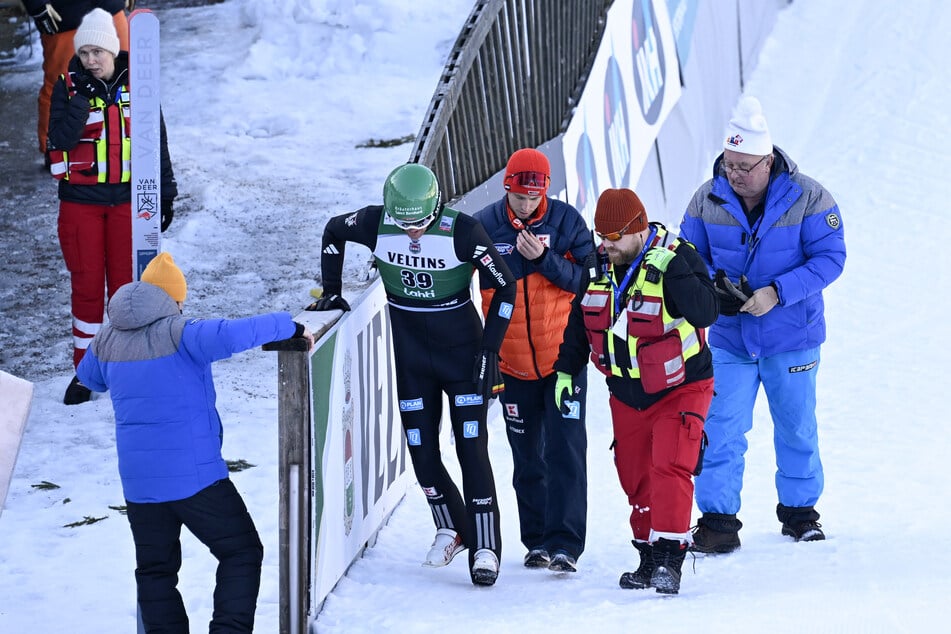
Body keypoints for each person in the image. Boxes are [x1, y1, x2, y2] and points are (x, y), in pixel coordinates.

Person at [76, 252, 314, 632]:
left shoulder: (107, 339)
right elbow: (237, 333)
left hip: (139, 485)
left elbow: (89, 377)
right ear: (172, 299)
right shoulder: (181, 333)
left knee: (156, 571)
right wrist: (290, 325)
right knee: (241, 551)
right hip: (195, 479)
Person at [306, 163, 516, 586]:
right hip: (413, 360)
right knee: (421, 453)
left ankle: (486, 546)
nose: (414, 233)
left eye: (421, 224)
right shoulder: (375, 223)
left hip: (464, 359)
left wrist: (491, 349)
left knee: (471, 450)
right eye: (405, 226)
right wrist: (332, 291)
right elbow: (332, 232)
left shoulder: (463, 231)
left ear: (436, 208)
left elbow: (506, 287)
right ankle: (454, 527)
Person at [679, 96, 846, 552]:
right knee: (721, 429)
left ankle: (799, 515)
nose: (734, 173)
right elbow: (686, 263)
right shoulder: (706, 199)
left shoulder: (810, 197)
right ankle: (716, 522)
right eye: (730, 163)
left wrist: (778, 292)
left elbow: (831, 258)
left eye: (745, 166)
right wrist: (714, 297)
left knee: (796, 427)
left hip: (792, 338)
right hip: (731, 341)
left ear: (768, 160)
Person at [553, 188, 718, 595]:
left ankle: (670, 557)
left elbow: (707, 311)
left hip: (682, 385)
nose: (604, 246)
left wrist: (677, 273)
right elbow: (580, 323)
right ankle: (646, 555)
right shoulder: (598, 265)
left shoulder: (678, 258)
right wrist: (564, 371)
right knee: (634, 475)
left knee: (670, 465)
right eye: (600, 237)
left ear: (638, 230)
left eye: (613, 238)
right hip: (626, 390)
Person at [46, 7, 177, 405]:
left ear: (114, 51)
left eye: (98, 53)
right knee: (86, 289)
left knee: (127, 290)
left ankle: (128, 368)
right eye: (84, 53)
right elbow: (60, 140)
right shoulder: (68, 86)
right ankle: (86, 372)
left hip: (127, 205)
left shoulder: (139, 83)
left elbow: (156, 139)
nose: (91, 61)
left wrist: (166, 191)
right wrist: (82, 103)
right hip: (80, 206)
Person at [473, 148, 593, 573]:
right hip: (513, 366)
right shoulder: (485, 225)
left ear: (545, 189)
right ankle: (537, 540)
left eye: (533, 196)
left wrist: (544, 261)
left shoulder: (566, 222)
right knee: (527, 457)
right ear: (507, 188)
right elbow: (465, 289)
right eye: (518, 197)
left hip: (563, 363)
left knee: (565, 452)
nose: (525, 205)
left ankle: (566, 545)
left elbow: (588, 281)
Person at [22, 0, 131, 159]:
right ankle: (54, 152)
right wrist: (37, 5)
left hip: (110, 8)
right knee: (61, 85)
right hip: (64, 15)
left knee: (123, 78)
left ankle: (120, 143)